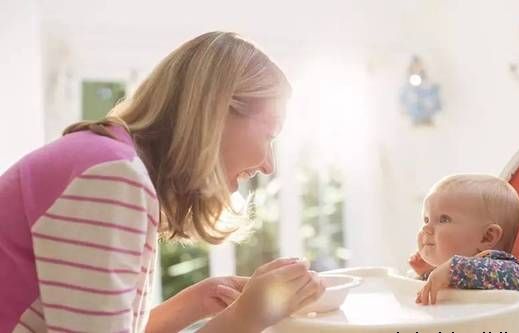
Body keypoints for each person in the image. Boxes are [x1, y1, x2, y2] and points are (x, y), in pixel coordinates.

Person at [0, 31, 324, 333]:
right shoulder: (112, 176)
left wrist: (195, 302)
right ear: (216, 112)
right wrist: (243, 319)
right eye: (269, 134)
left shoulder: (105, 161)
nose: (268, 165)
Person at [408, 174, 519, 305]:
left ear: (487, 237)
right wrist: (425, 274)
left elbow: (517, 279)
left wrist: (453, 269)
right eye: (426, 219)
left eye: (444, 219)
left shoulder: (505, 270)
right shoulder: (454, 275)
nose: (426, 228)